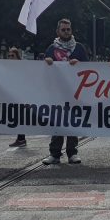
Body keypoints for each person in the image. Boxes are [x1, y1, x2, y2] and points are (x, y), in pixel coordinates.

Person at [42, 19, 88, 165]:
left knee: (72, 122)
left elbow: (89, 67)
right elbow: (43, 69)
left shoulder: (79, 48)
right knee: (57, 122)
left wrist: (79, 65)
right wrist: (47, 62)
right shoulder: (51, 49)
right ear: (58, 32)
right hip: (57, 92)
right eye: (63, 30)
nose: (66, 32)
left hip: (74, 92)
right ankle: (54, 153)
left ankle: (72, 152)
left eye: (68, 29)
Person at [6, 47, 28, 148]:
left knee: (20, 117)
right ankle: (20, 138)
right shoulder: (6, 66)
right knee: (17, 117)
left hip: (21, 96)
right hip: (12, 95)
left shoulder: (22, 66)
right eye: (9, 56)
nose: (10, 57)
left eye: (12, 56)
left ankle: (21, 139)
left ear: (17, 56)